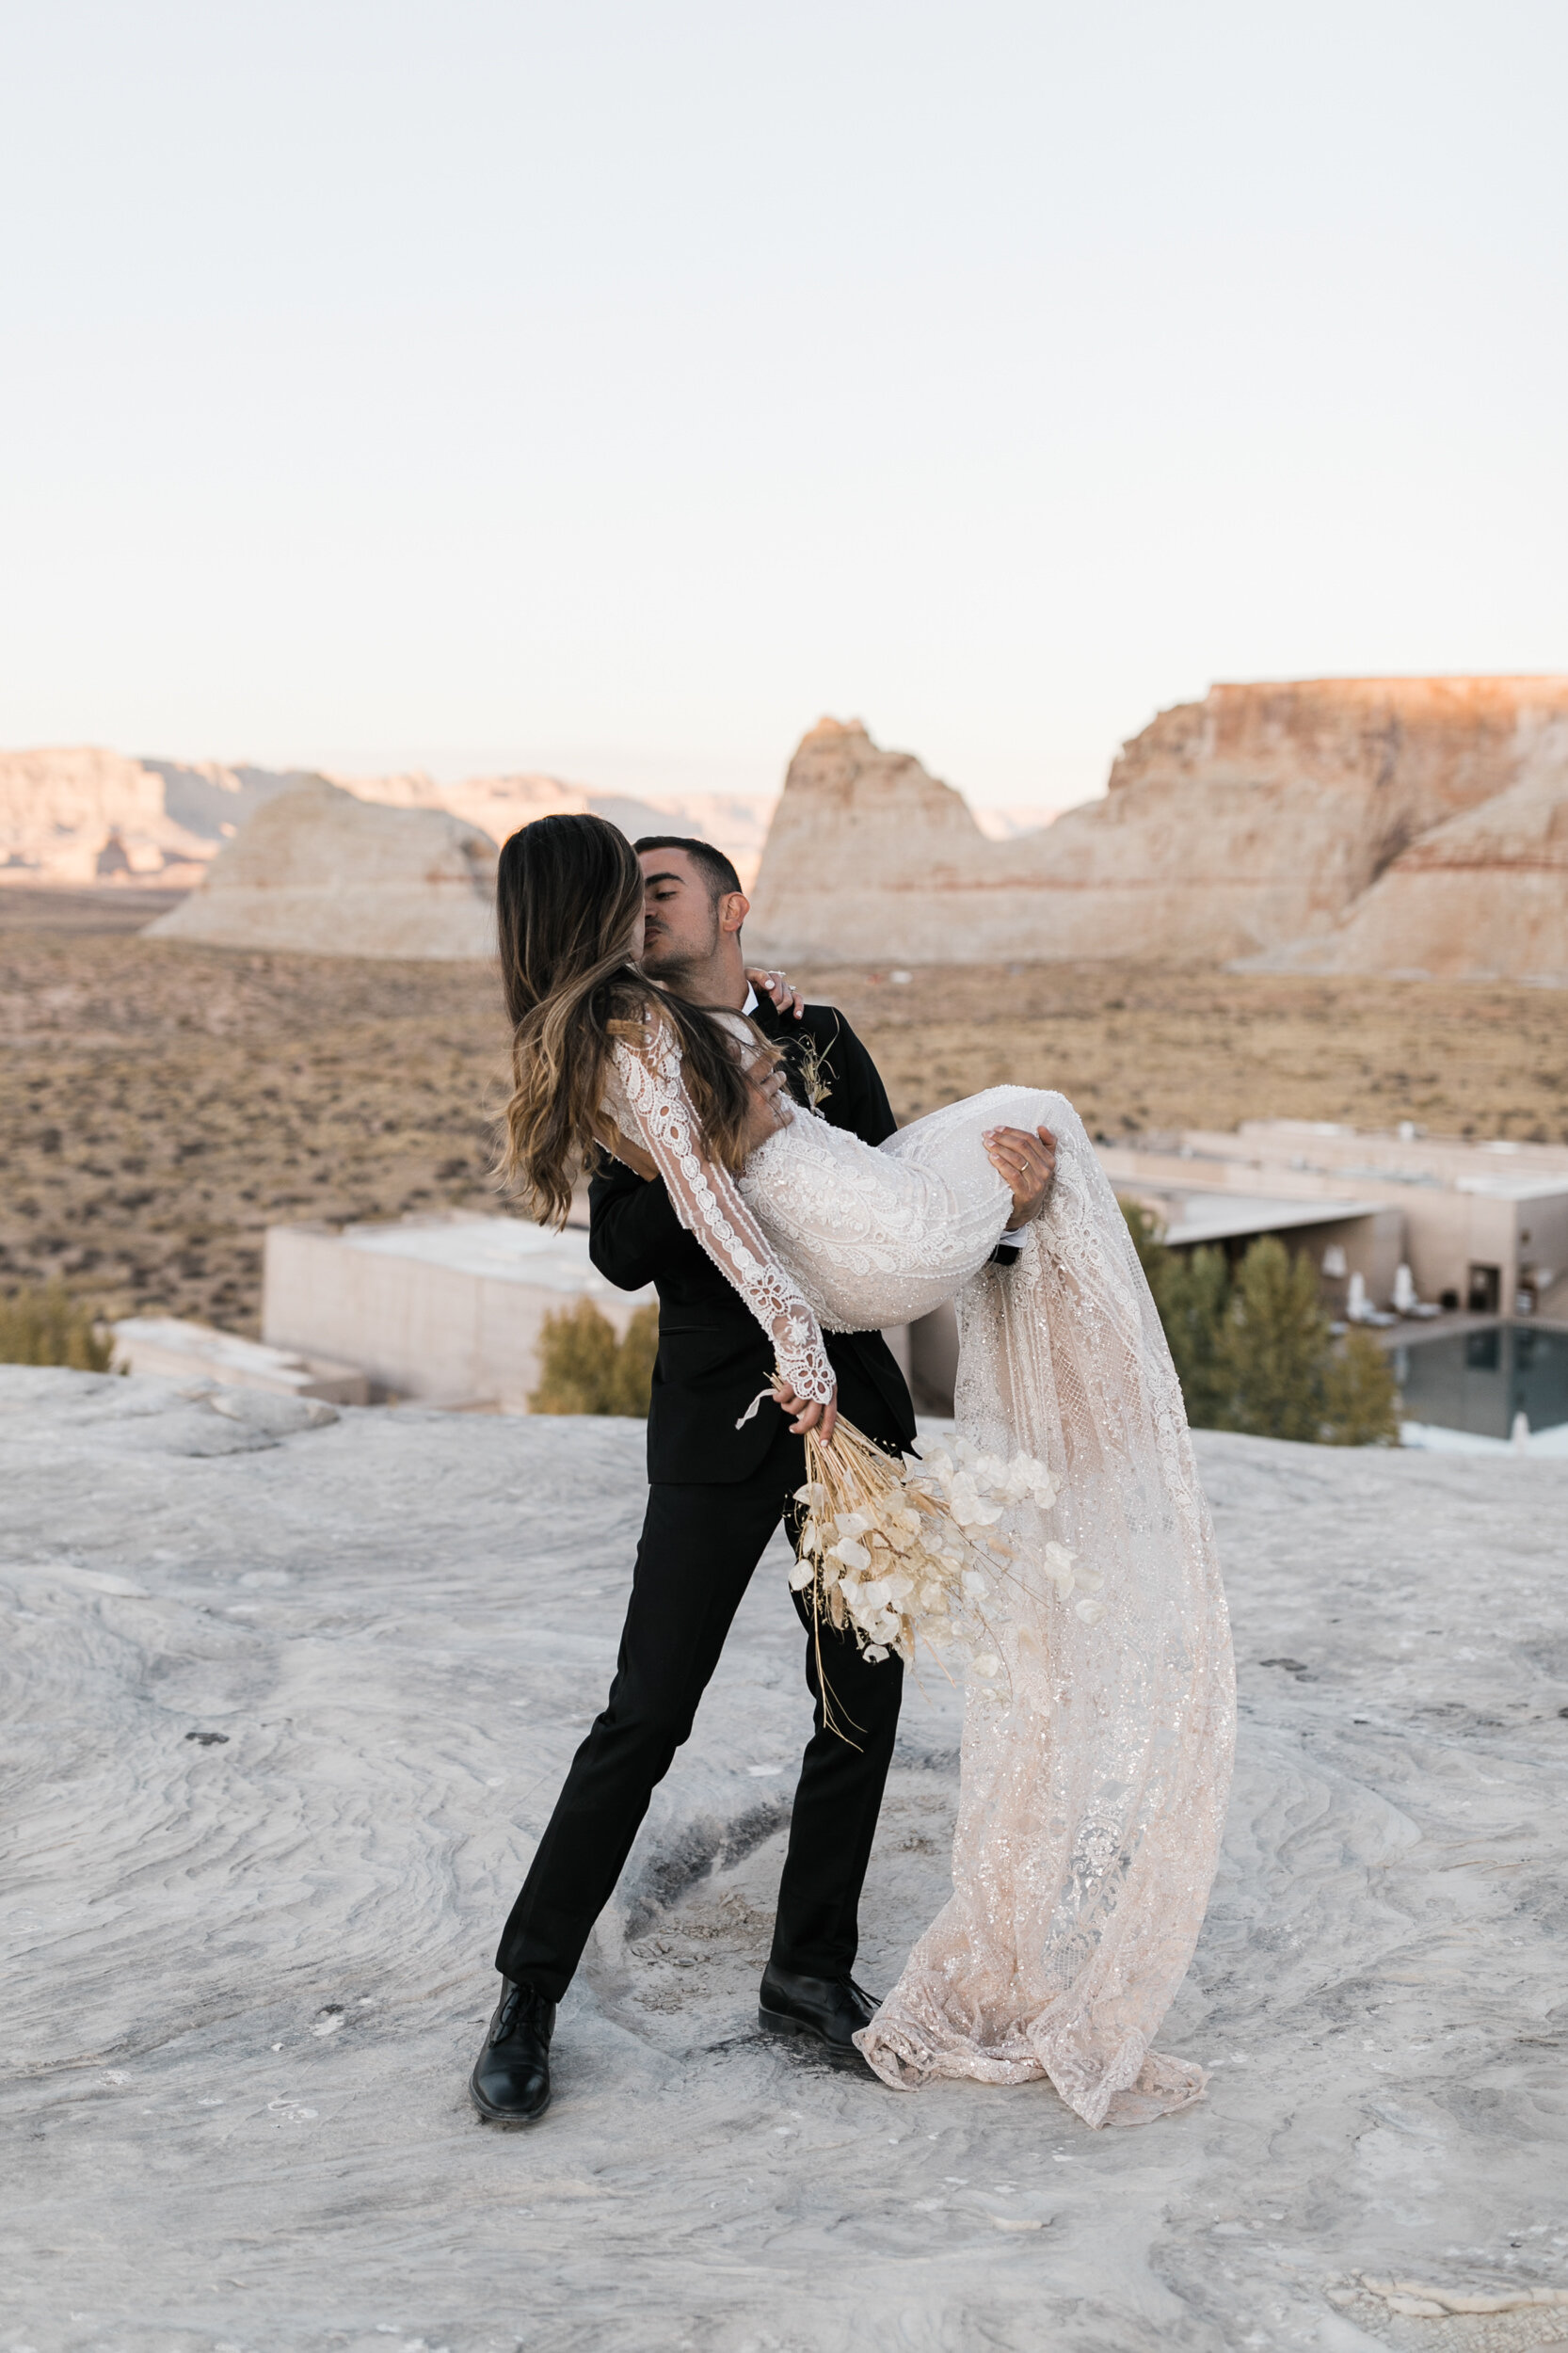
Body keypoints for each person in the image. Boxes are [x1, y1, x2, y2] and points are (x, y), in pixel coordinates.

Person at [473, 813, 1234, 2134]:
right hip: (723, 1409)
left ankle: (806, 1976)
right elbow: (622, 1251)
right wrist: (721, 1139)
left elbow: (898, 1215)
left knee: (858, 1701)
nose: (644, 913)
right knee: (647, 1711)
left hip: (859, 1406)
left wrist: (1017, 1206)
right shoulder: (625, 1047)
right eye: (627, 895)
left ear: (730, 907)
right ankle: (525, 1995)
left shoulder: (816, 1034)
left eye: (665, 891)